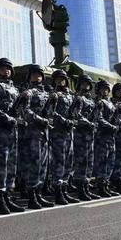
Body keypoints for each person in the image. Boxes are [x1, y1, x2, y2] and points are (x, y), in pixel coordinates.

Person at [0, 58, 24, 215]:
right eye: (3, 68)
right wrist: (9, 119)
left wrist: (20, 118)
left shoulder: (15, 89)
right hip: (0, 131)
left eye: (9, 68)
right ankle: (0, 200)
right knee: (1, 166)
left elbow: (19, 109)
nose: (7, 71)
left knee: (11, 166)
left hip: (12, 132)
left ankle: (8, 196)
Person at [21, 65, 54, 208]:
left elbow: (51, 112)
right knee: (34, 165)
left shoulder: (47, 94)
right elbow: (25, 111)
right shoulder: (28, 92)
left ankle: (39, 194)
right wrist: (40, 120)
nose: (37, 77)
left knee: (43, 165)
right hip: (33, 134)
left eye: (39, 74)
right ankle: (32, 196)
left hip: (44, 134)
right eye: (34, 75)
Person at [46, 69, 78, 205]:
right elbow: (50, 112)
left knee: (68, 163)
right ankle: (58, 192)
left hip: (69, 133)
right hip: (58, 133)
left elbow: (75, 112)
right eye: (58, 79)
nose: (61, 81)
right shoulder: (53, 95)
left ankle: (65, 190)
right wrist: (64, 120)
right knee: (59, 162)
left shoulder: (70, 96)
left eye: (63, 79)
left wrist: (73, 119)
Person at [70, 75, 98, 201]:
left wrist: (94, 122)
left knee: (89, 163)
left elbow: (94, 116)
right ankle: (80, 189)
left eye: (88, 83)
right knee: (81, 163)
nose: (86, 85)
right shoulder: (78, 98)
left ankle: (86, 187)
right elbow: (76, 114)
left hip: (89, 135)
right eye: (84, 83)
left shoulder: (91, 100)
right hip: (80, 135)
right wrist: (89, 123)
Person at [93, 80, 118, 198]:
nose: (105, 91)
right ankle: (101, 186)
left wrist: (115, 125)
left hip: (110, 136)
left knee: (110, 162)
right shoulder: (99, 102)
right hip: (102, 136)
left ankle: (106, 184)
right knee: (102, 162)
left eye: (107, 89)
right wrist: (111, 126)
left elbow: (114, 118)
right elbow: (99, 118)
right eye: (103, 89)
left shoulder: (111, 104)